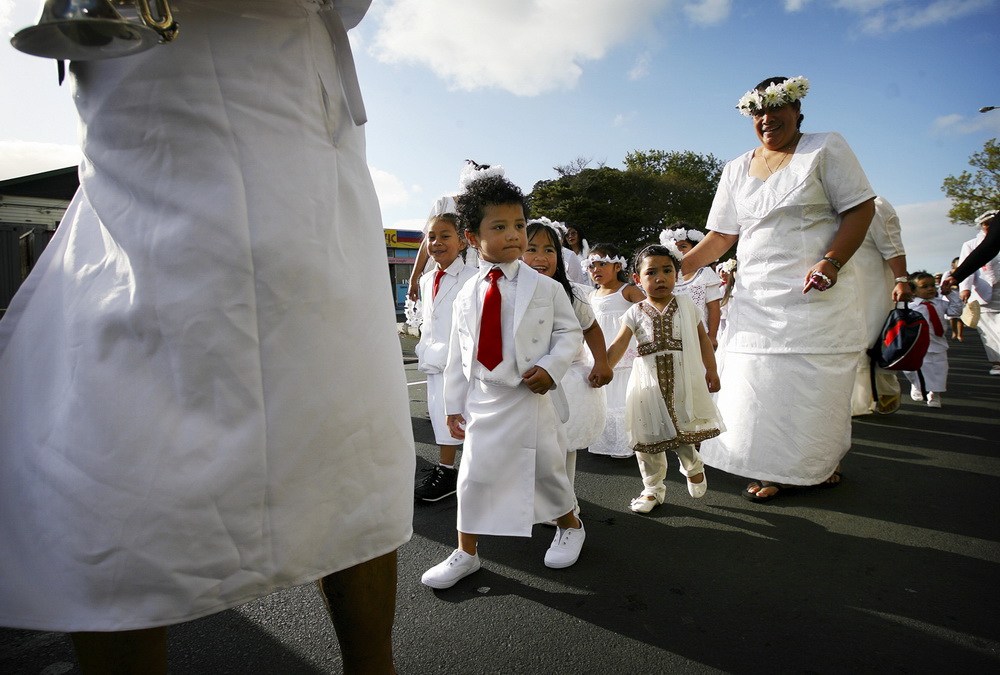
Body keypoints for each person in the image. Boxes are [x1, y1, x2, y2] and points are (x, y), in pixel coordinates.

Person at [0, 2, 414, 672]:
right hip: (133, 114)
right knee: (102, 454)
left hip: (284, 113)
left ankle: (373, 666)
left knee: (342, 442)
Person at [682, 75, 876, 503]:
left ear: (797, 110)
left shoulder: (825, 148)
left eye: (775, 109)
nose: (767, 119)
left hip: (816, 293)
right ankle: (772, 465)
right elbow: (720, 236)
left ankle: (817, 466)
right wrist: (681, 267)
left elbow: (860, 208)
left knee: (811, 388)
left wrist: (832, 260)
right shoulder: (735, 168)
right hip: (756, 298)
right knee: (759, 384)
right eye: (758, 112)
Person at [420, 170, 584, 590]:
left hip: (529, 398)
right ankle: (466, 551)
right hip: (484, 400)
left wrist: (551, 366)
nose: (514, 235)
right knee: (473, 476)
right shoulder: (466, 292)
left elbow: (569, 332)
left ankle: (570, 524)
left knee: (545, 471)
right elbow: (460, 355)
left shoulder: (545, 288)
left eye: (518, 226)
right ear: (473, 237)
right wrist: (453, 405)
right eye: (499, 227)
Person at [606, 243, 723, 513]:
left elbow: (703, 341)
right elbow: (619, 345)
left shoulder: (687, 306)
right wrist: (603, 368)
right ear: (637, 279)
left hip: (682, 382)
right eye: (652, 272)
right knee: (647, 438)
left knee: (681, 431)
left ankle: (692, 464)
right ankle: (652, 489)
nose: (660, 278)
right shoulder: (634, 312)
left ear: (677, 274)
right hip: (647, 386)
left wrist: (712, 370)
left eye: (667, 270)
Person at [522, 219, 612, 517]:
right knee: (531, 447)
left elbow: (592, 328)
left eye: (549, 249)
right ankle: (534, 500)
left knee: (563, 447)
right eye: (531, 248)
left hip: (566, 382)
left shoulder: (572, 292)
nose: (540, 257)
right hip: (525, 382)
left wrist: (601, 361)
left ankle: (564, 503)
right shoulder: (512, 292)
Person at [414, 198, 478, 502]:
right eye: (432, 237)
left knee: (470, 418)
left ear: (463, 241)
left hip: (464, 366)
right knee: (442, 417)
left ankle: (476, 473)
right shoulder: (427, 280)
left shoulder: (472, 279)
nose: (437, 242)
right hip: (434, 360)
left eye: (445, 236)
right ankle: (448, 470)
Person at [849, 196, 911, 416]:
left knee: (873, 340)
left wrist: (901, 280)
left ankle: (882, 392)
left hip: (872, 284)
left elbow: (893, 246)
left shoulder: (876, 206)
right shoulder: (831, 208)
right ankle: (858, 399)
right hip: (845, 286)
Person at [586, 243, 647, 459]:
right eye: (592, 266)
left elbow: (647, 311)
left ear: (617, 266)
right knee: (604, 398)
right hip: (600, 351)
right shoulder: (591, 296)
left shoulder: (627, 290)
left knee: (623, 397)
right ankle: (603, 441)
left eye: (603, 264)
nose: (596, 270)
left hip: (623, 350)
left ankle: (626, 444)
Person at [944, 209, 1000, 374]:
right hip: (984, 292)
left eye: (992, 223)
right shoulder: (970, 245)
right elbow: (969, 267)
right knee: (989, 331)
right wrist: (964, 287)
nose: (988, 227)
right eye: (986, 224)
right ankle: (997, 361)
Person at [660, 224, 724, 348]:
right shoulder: (665, 277)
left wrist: (712, 336)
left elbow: (713, 308)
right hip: (670, 337)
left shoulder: (704, 275)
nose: (679, 250)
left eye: (683, 246)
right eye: (675, 246)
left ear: (696, 249)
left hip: (699, 337)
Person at [904, 272, 950, 407]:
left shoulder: (940, 304)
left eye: (932, 286)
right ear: (913, 291)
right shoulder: (911, 306)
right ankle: (917, 385)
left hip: (938, 344)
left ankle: (935, 395)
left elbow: (956, 311)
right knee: (911, 369)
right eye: (924, 286)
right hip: (917, 345)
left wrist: (950, 294)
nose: (930, 289)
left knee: (939, 370)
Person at [943, 257, 965, 341]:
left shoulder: (965, 273)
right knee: (953, 317)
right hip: (950, 295)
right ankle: (954, 332)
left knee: (961, 316)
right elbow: (943, 285)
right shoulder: (948, 274)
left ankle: (960, 334)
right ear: (953, 265)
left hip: (961, 294)